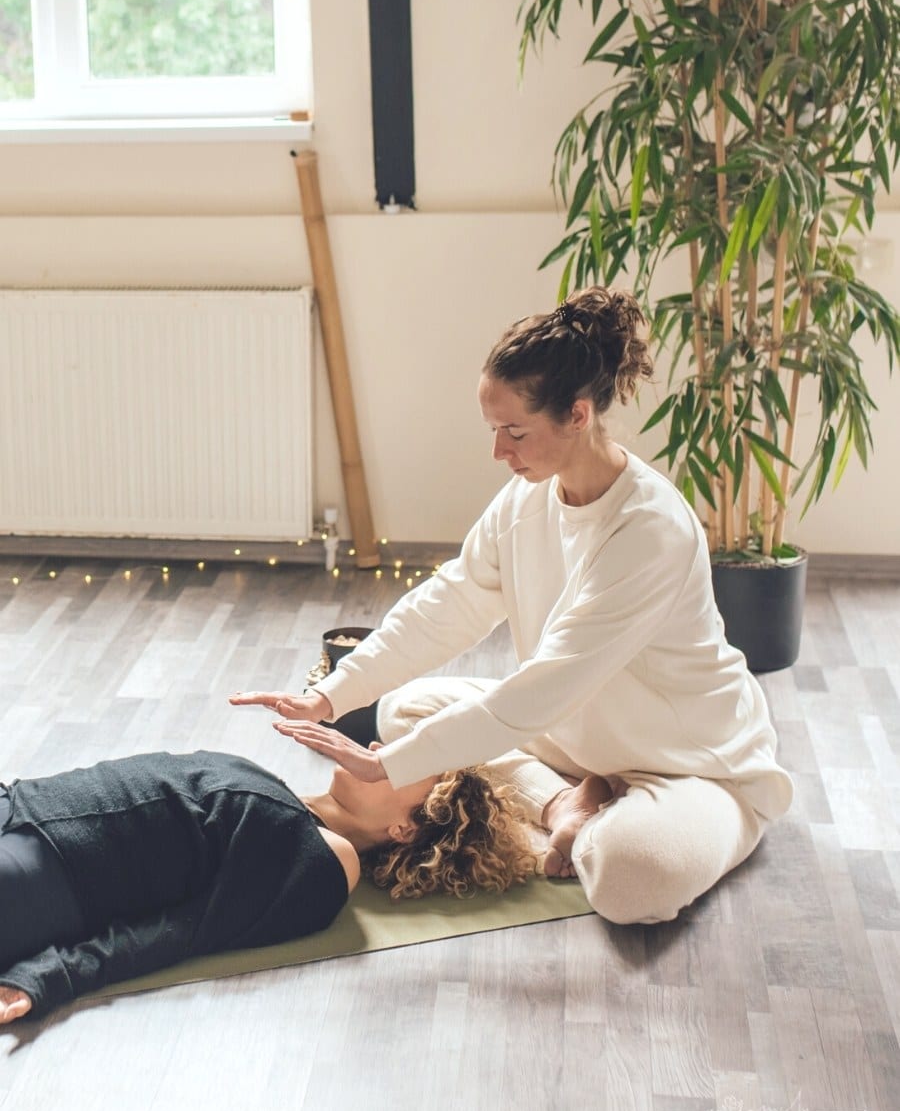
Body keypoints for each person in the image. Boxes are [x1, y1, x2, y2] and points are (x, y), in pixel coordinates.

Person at [232, 286, 794, 927]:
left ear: (578, 415)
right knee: (402, 709)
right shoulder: (527, 497)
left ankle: (659, 819)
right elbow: (452, 602)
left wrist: (385, 766)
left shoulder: (649, 529)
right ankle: (565, 805)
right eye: (493, 429)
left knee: (632, 882)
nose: (499, 452)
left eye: (515, 432)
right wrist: (333, 695)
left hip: (687, 764)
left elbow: (544, 686)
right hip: (573, 737)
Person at [0, 749, 534, 1025]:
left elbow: (189, 931)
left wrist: (58, 974)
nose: (376, 748)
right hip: (20, 805)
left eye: (404, 765)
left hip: (44, 877)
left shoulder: (327, 862)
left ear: (407, 827)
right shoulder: (282, 793)